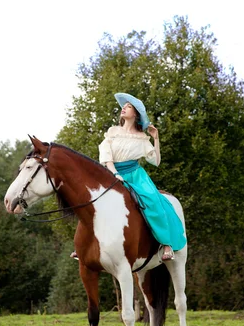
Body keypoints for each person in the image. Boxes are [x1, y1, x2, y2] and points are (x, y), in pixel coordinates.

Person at [70, 92, 186, 261]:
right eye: (124, 106)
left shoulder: (142, 138)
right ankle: (84, 246)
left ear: (136, 114)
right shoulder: (113, 132)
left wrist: (156, 139)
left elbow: (156, 161)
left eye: (129, 106)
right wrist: (115, 174)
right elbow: (106, 155)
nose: (124, 108)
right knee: (90, 201)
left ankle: (166, 243)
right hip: (110, 173)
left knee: (153, 200)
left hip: (135, 175)